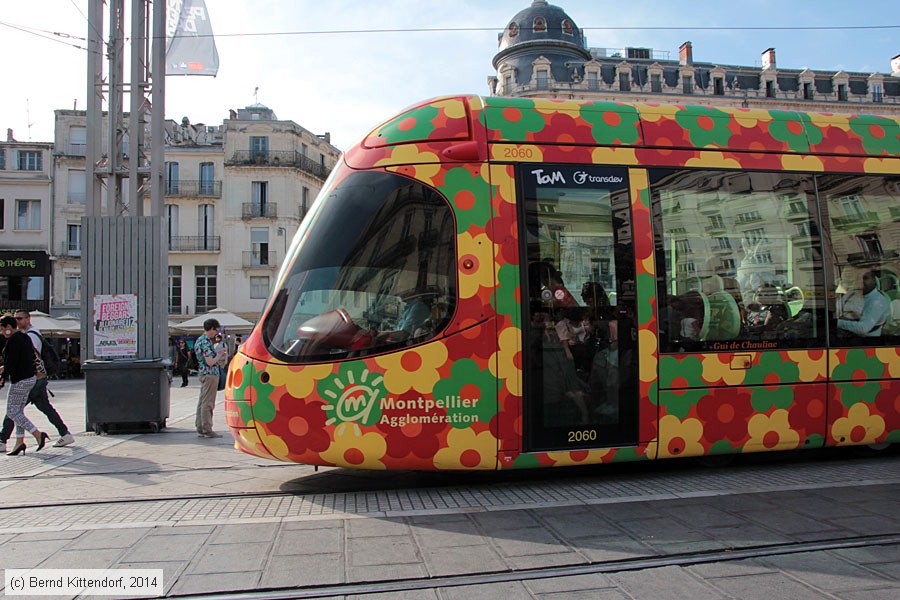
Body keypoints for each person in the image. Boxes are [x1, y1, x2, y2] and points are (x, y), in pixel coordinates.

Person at [0, 309, 73, 450]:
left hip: (31, 378)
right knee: (40, 407)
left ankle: (5, 439)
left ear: (28, 319)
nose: (17, 321)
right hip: (35, 378)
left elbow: (27, 359)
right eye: (16, 318)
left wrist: (6, 372)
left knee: (13, 411)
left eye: (20, 318)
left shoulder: (30, 336)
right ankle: (64, 433)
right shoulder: (25, 335)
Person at [0, 315, 50, 455]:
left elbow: (12, 362)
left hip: (20, 380)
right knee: (19, 411)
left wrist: (3, 377)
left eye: (3, 329)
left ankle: (37, 434)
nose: (3, 332)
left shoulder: (14, 340)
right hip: (30, 378)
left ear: (9, 327)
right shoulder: (25, 337)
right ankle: (19, 442)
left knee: (12, 412)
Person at [194, 318, 227, 438]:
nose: (216, 334)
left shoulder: (199, 341)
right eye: (216, 331)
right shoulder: (206, 342)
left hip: (203, 373)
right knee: (208, 402)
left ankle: (200, 427)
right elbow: (210, 362)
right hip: (210, 374)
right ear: (212, 329)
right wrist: (219, 354)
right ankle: (207, 428)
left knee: (202, 401)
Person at [838, 270, 891, 337]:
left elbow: (862, 329)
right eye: (858, 278)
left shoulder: (877, 301)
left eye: (865, 278)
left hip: (866, 342)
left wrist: (837, 323)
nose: (861, 281)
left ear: (874, 281)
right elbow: (836, 308)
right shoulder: (852, 294)